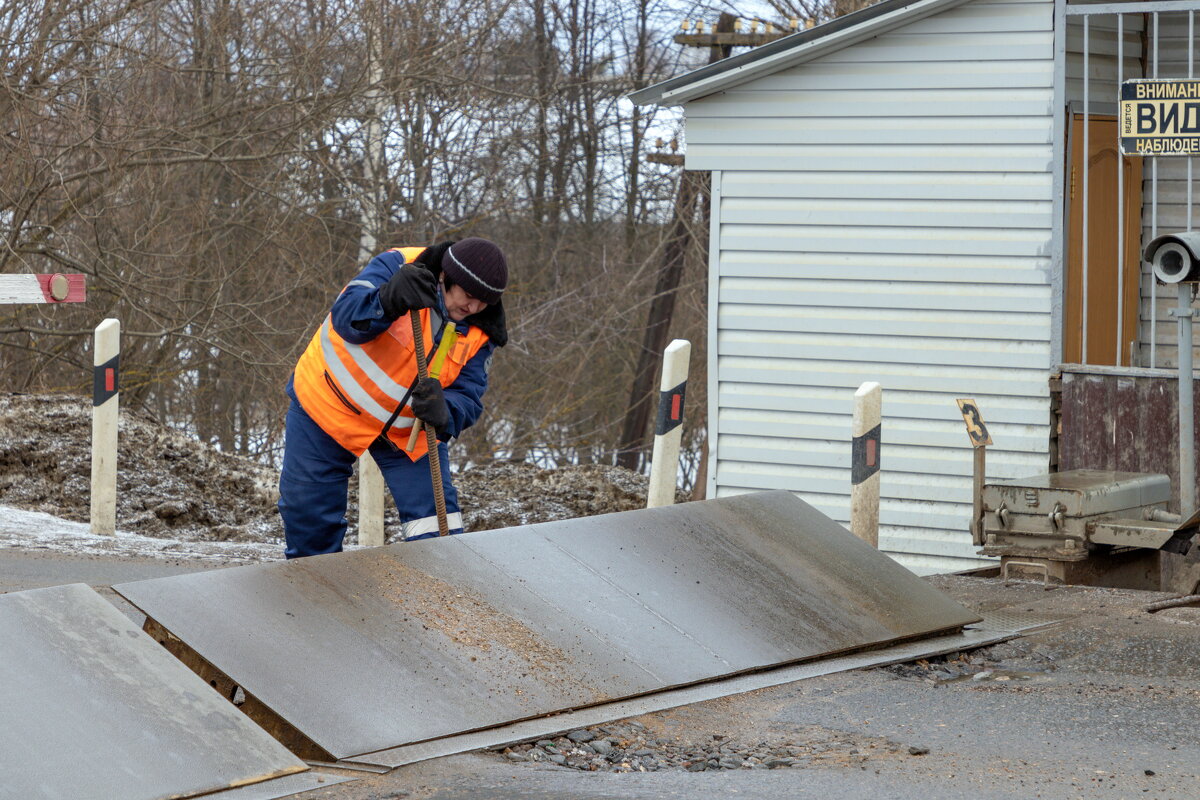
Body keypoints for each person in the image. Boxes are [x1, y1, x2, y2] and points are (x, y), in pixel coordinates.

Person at [278, 238, 508, 558]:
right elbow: (346, 317)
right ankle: (315, 596)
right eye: (468, 296)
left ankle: (440, 600)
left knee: (437, 529)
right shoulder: (397, 265)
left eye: (484, 302)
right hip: (329, 401)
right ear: (445, 276)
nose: (473, 309)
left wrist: (447, 409)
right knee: (308, 514)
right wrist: (387, 300)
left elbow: (469, 394)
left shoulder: (483, 329)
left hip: (408, 431)